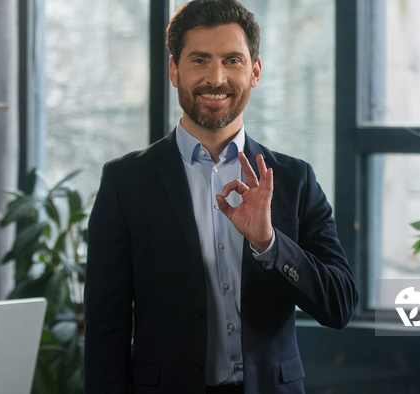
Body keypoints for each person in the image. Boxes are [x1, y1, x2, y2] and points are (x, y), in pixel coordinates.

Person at [84, 0, 359, 392]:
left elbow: (340, 304)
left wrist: (268, 244)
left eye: (233, 60)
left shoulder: (294, 179)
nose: (217, 78)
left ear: (255, 72)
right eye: (199, 60)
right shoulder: (125, 182)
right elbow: (104, 332)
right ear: (174, 71)